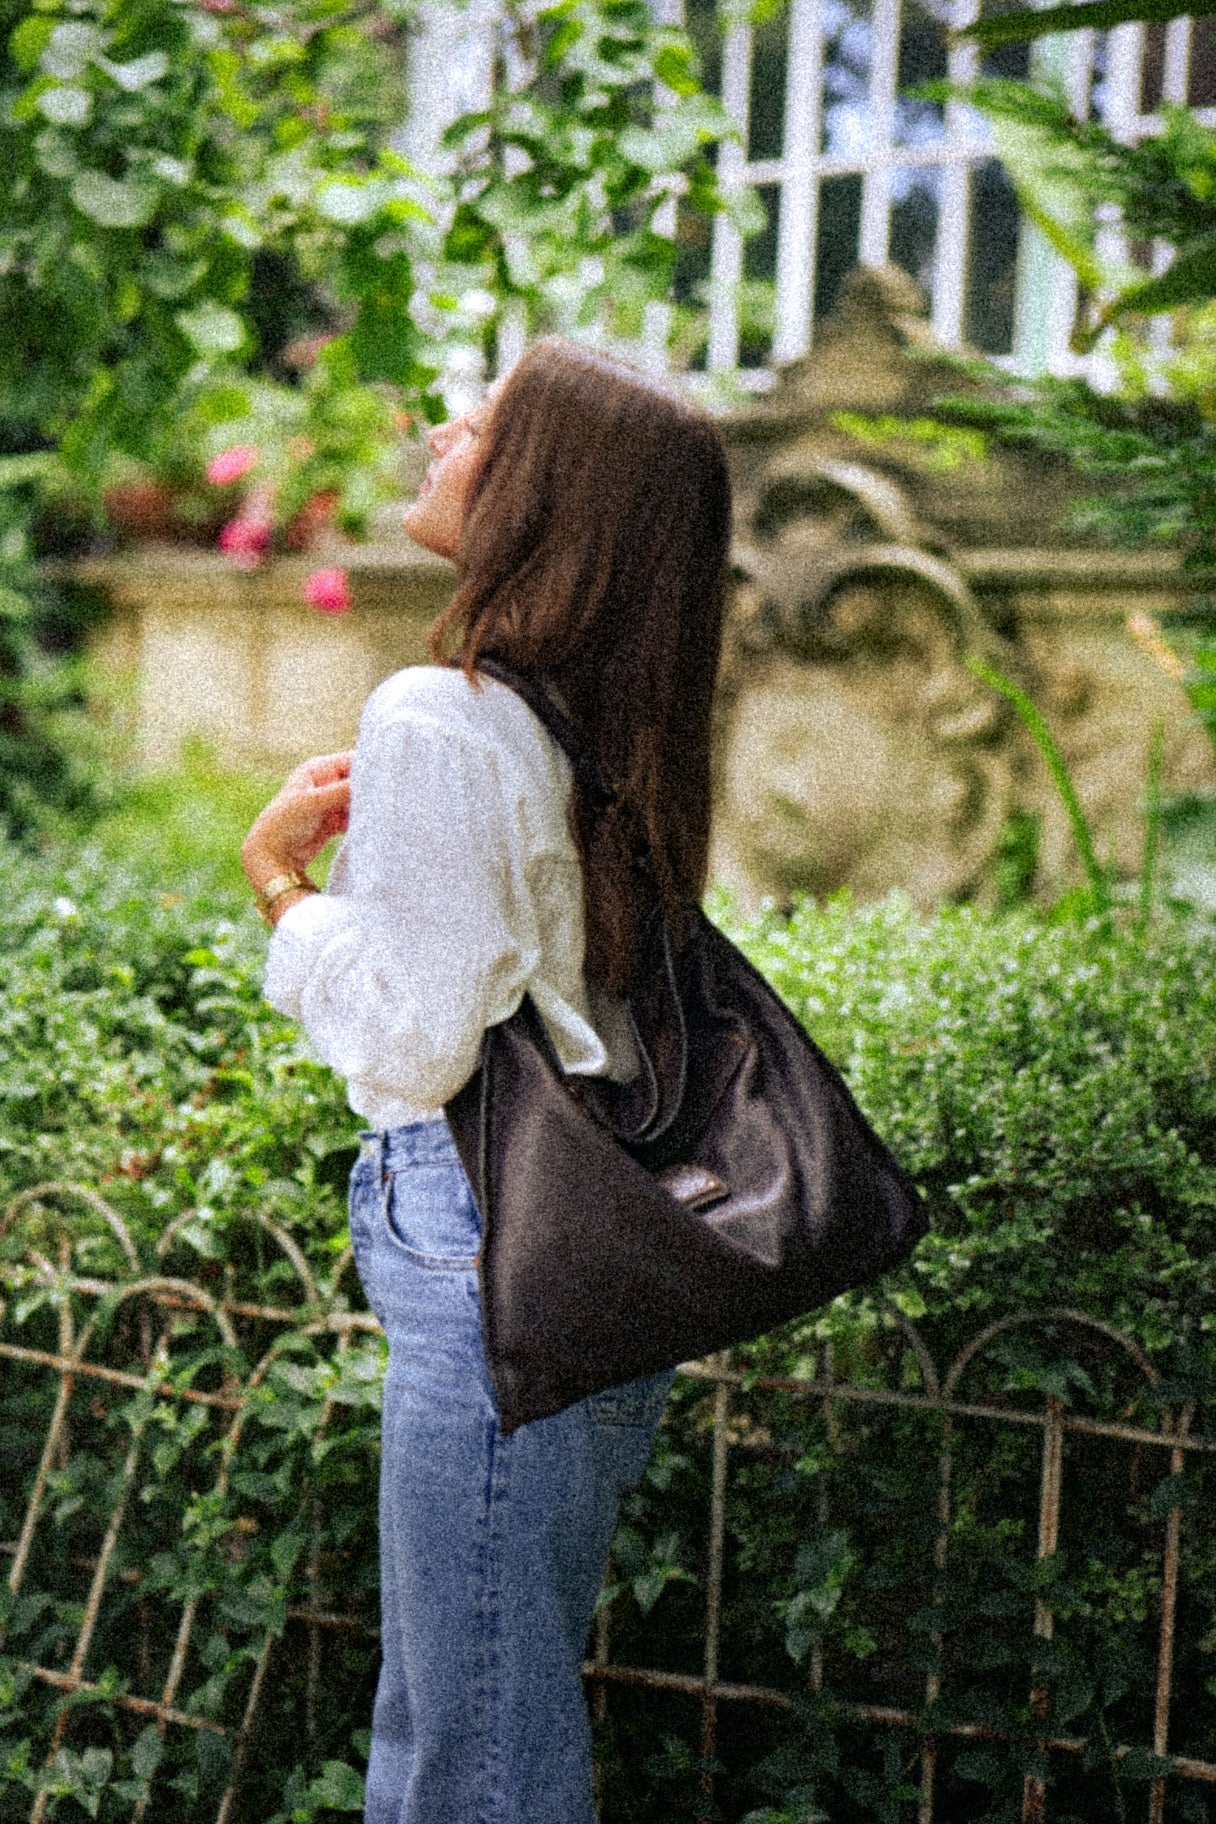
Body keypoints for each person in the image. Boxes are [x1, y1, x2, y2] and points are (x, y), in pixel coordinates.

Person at [240, 336, 733, 1824]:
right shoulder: (600, 732)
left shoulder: (444, 717)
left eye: (490, 424)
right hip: (583, 1250)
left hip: (487, 1252)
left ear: (551, 502)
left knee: (470, 1755)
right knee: (471, 1712)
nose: (445, 426)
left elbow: (412, 1045)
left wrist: (279, 887)